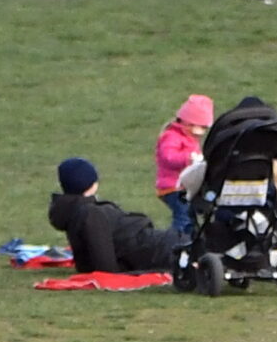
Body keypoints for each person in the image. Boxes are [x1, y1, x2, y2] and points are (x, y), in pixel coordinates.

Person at [47, 158, 181, 274]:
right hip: (155, 249)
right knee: (193, 247)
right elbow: (105, 265)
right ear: (92, 184)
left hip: (152, 246)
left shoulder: (72, 211)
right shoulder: (91, 213)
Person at [155, 95, 213, 239]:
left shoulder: (189, 138)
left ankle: (190, 240)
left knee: (189, 217)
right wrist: (189, 158)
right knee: (183, 217)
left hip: (184, 186)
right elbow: (168, 157)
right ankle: (176, 241)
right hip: (174, 187)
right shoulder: (172, 136)